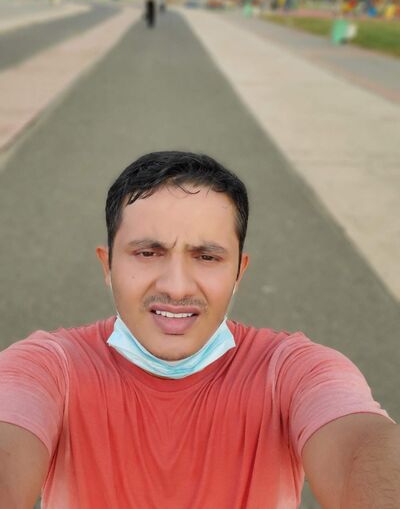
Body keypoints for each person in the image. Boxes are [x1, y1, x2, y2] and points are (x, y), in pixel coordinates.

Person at [0, 151, 399, 508]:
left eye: (207, 257)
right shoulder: (48, 367)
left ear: (239, 272)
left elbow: (359, 448)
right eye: (147, 253)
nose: (177, 287)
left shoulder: (293, 371)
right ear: (108, 266)